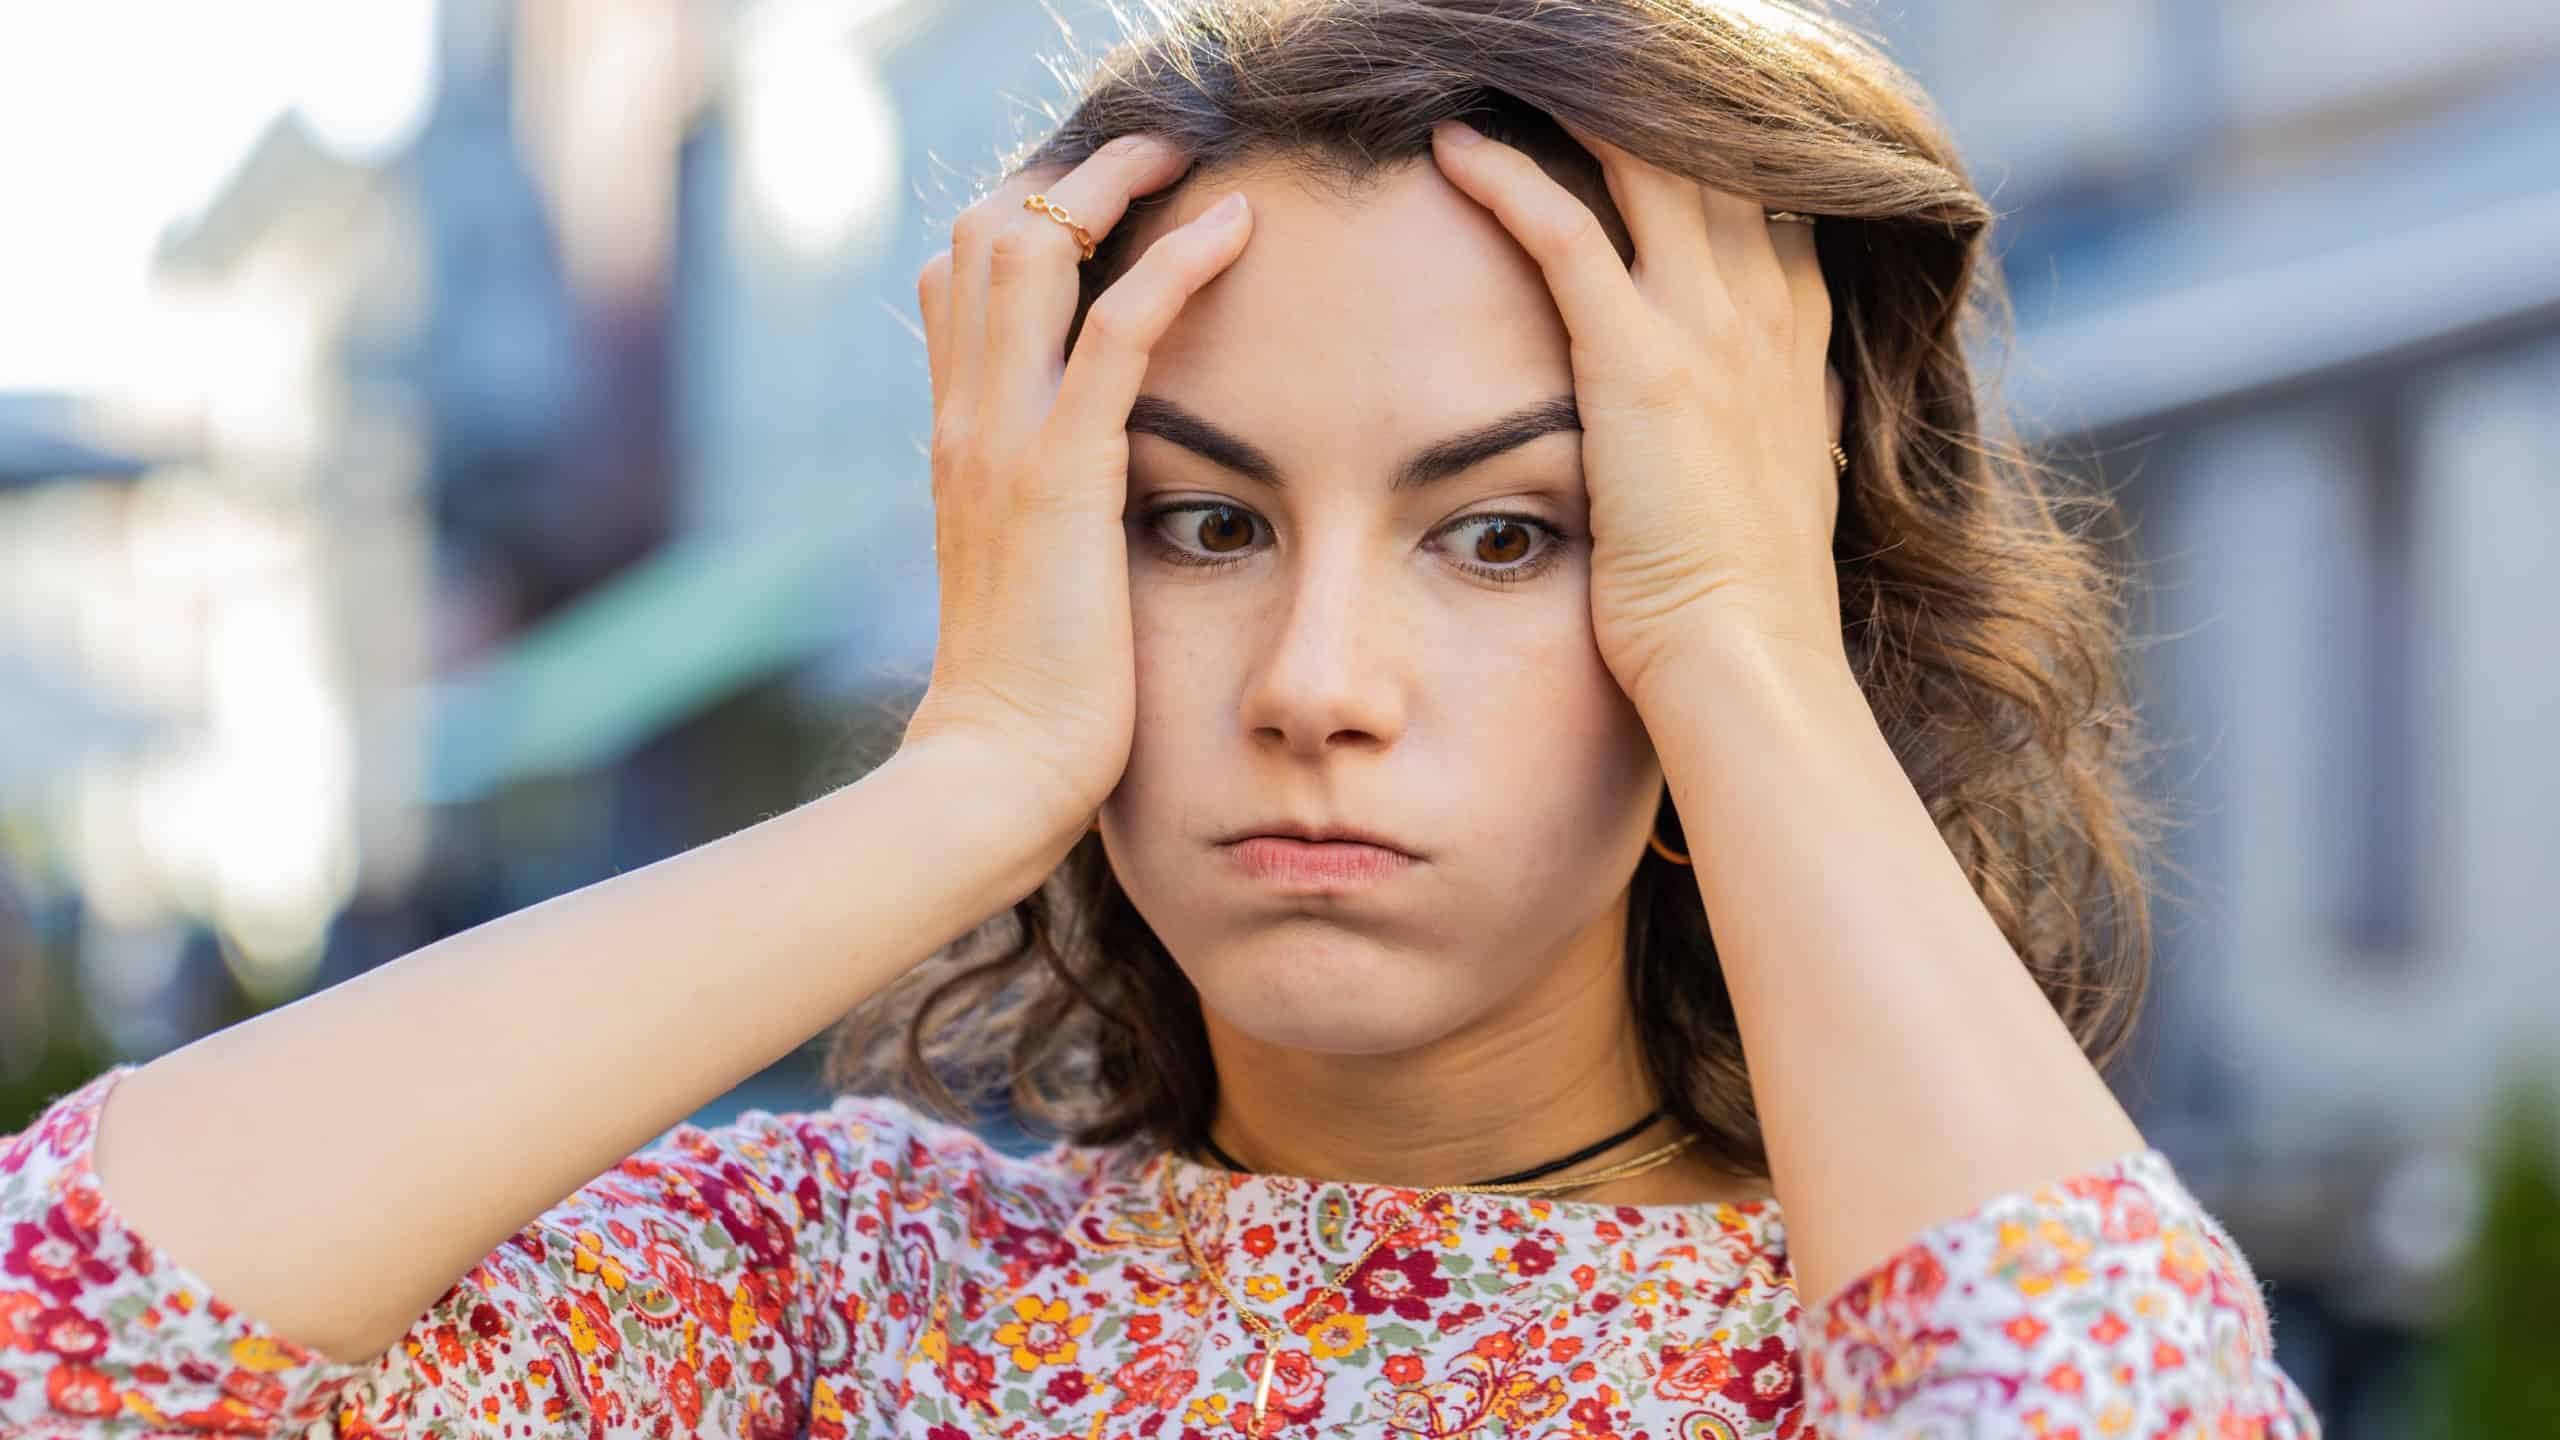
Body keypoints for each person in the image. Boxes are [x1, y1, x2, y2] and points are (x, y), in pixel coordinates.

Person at [2, 0, 2322, 1435]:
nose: (1313, 687)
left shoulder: (1887, 1325)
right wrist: (976, 775)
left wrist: (1732, 629)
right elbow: (66, 1335)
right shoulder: (828, 1296)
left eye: (1504, 533)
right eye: (1195, 525)